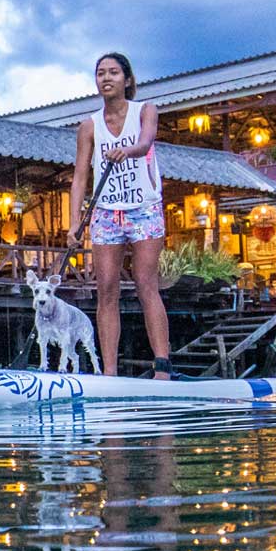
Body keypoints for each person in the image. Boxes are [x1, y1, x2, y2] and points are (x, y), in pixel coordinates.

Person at [66, 52, 171, 378]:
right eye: (100, 73)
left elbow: (146, 141)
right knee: (107, 289)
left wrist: (129, 150)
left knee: (145, 284)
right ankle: (109, 373)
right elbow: (80, 176)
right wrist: (73, 223)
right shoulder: (89, 126)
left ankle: (163, 367)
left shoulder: (145, 111)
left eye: (113, 72)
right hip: (107, 211)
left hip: (144, 208)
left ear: (127, 79)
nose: (106, 78)